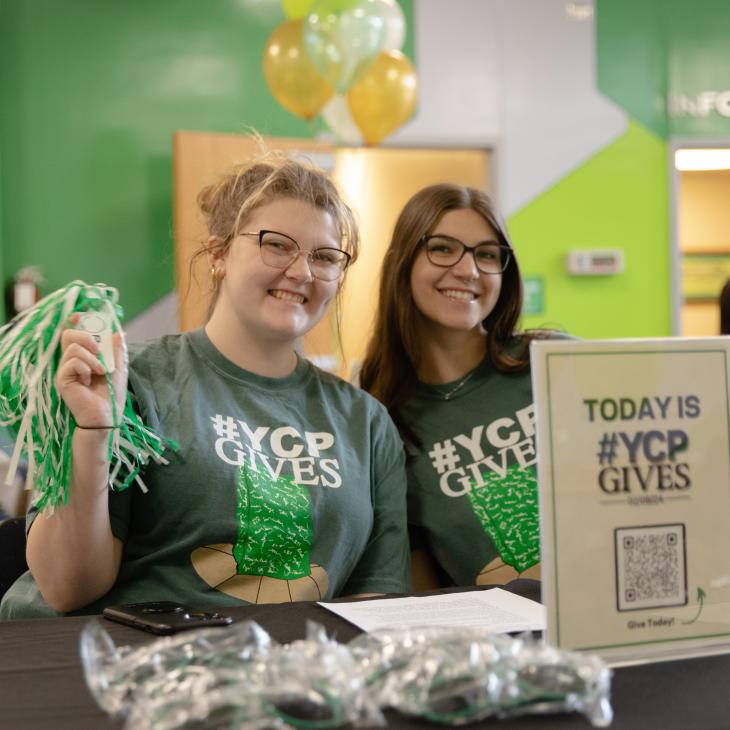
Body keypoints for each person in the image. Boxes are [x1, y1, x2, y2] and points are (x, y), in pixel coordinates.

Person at [0, 152, 411, 619]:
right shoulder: (126, 380)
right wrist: (93, 434)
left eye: (324, 256)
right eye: (276, 245)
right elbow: (65, 589)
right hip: (120, 666)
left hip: (287, 675)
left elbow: (378, 607)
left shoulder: (367, 423)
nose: (302, 272)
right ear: (218, 255)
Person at [360, 183, 568, 589]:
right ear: (403, 262)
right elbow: (423, 592)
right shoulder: (381, 417)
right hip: (504, 645)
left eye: (487, 255)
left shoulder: (554, 361)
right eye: (442, 248)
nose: (468, 270)